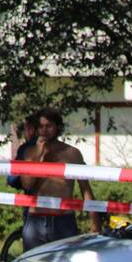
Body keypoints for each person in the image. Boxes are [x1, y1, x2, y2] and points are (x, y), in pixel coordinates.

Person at [17, 107, 101, 251]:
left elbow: (85, 188)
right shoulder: (30, 152)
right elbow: (27, 184)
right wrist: (39, 155)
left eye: (49, 126)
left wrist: (94, 221)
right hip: (35, 219)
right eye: (41, 127)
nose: (44, 130)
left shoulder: (72, 154)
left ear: (58, 127)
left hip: (63, 220)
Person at [6, 113, 38, 193]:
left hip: (32, 195)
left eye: (26, 129)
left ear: (32, 129)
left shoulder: (25, 148)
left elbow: (12, 179)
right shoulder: (54, 147)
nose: (25, 133)